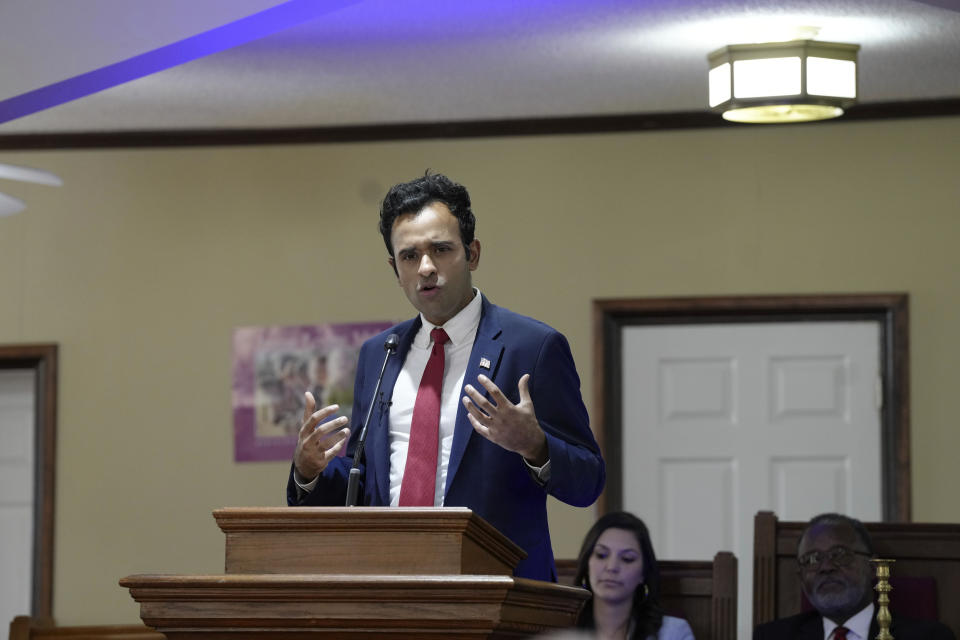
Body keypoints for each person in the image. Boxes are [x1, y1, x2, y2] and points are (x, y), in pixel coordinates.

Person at [286, 171, 605, 582]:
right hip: (391, 583)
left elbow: (588, 482)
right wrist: (309, 470)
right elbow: (364, 479)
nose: (425, 268)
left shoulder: (533, 347)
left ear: (472, 254)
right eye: (409, 256)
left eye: (441, 249)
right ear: (393, 267)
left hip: (497, 590)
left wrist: (536, 446)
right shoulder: (379, 353)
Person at [753, 513, 956, 640]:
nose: (825, 567)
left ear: (873, 567)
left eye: (839, 554)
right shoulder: (772, 636)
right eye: (812, 559)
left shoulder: (929, 637)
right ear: (801, 578)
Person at [574, 511, 695, 640]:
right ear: (587, 564)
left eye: (627, 558)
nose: (612, 567)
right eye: (601, 555)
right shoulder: (562, 627)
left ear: (643, 573)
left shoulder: (672, 632)